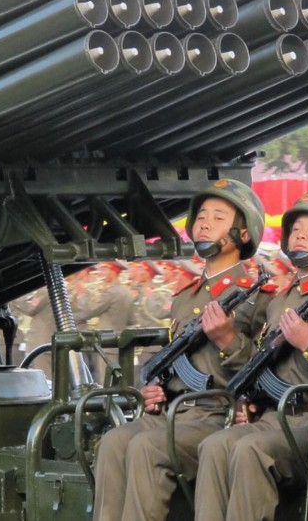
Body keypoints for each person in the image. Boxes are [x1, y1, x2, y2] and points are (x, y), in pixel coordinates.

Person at [92, 178, 269, 521]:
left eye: (218, 217)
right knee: (113, 442)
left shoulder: (258, 295)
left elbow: (263, 368)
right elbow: (171, 359)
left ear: (243, 234)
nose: (204, 222)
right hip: (175, 411)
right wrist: (153, 389)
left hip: (220, 413)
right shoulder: (187, 296)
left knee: (147, 447)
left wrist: (227, 339)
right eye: (201, 215)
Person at [193, 189, 308, 521]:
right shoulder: (278, 300)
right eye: (296, 228)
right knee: (214, 446)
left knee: (250, 451)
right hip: (274, 416)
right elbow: (262, 363)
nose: (300, 234)